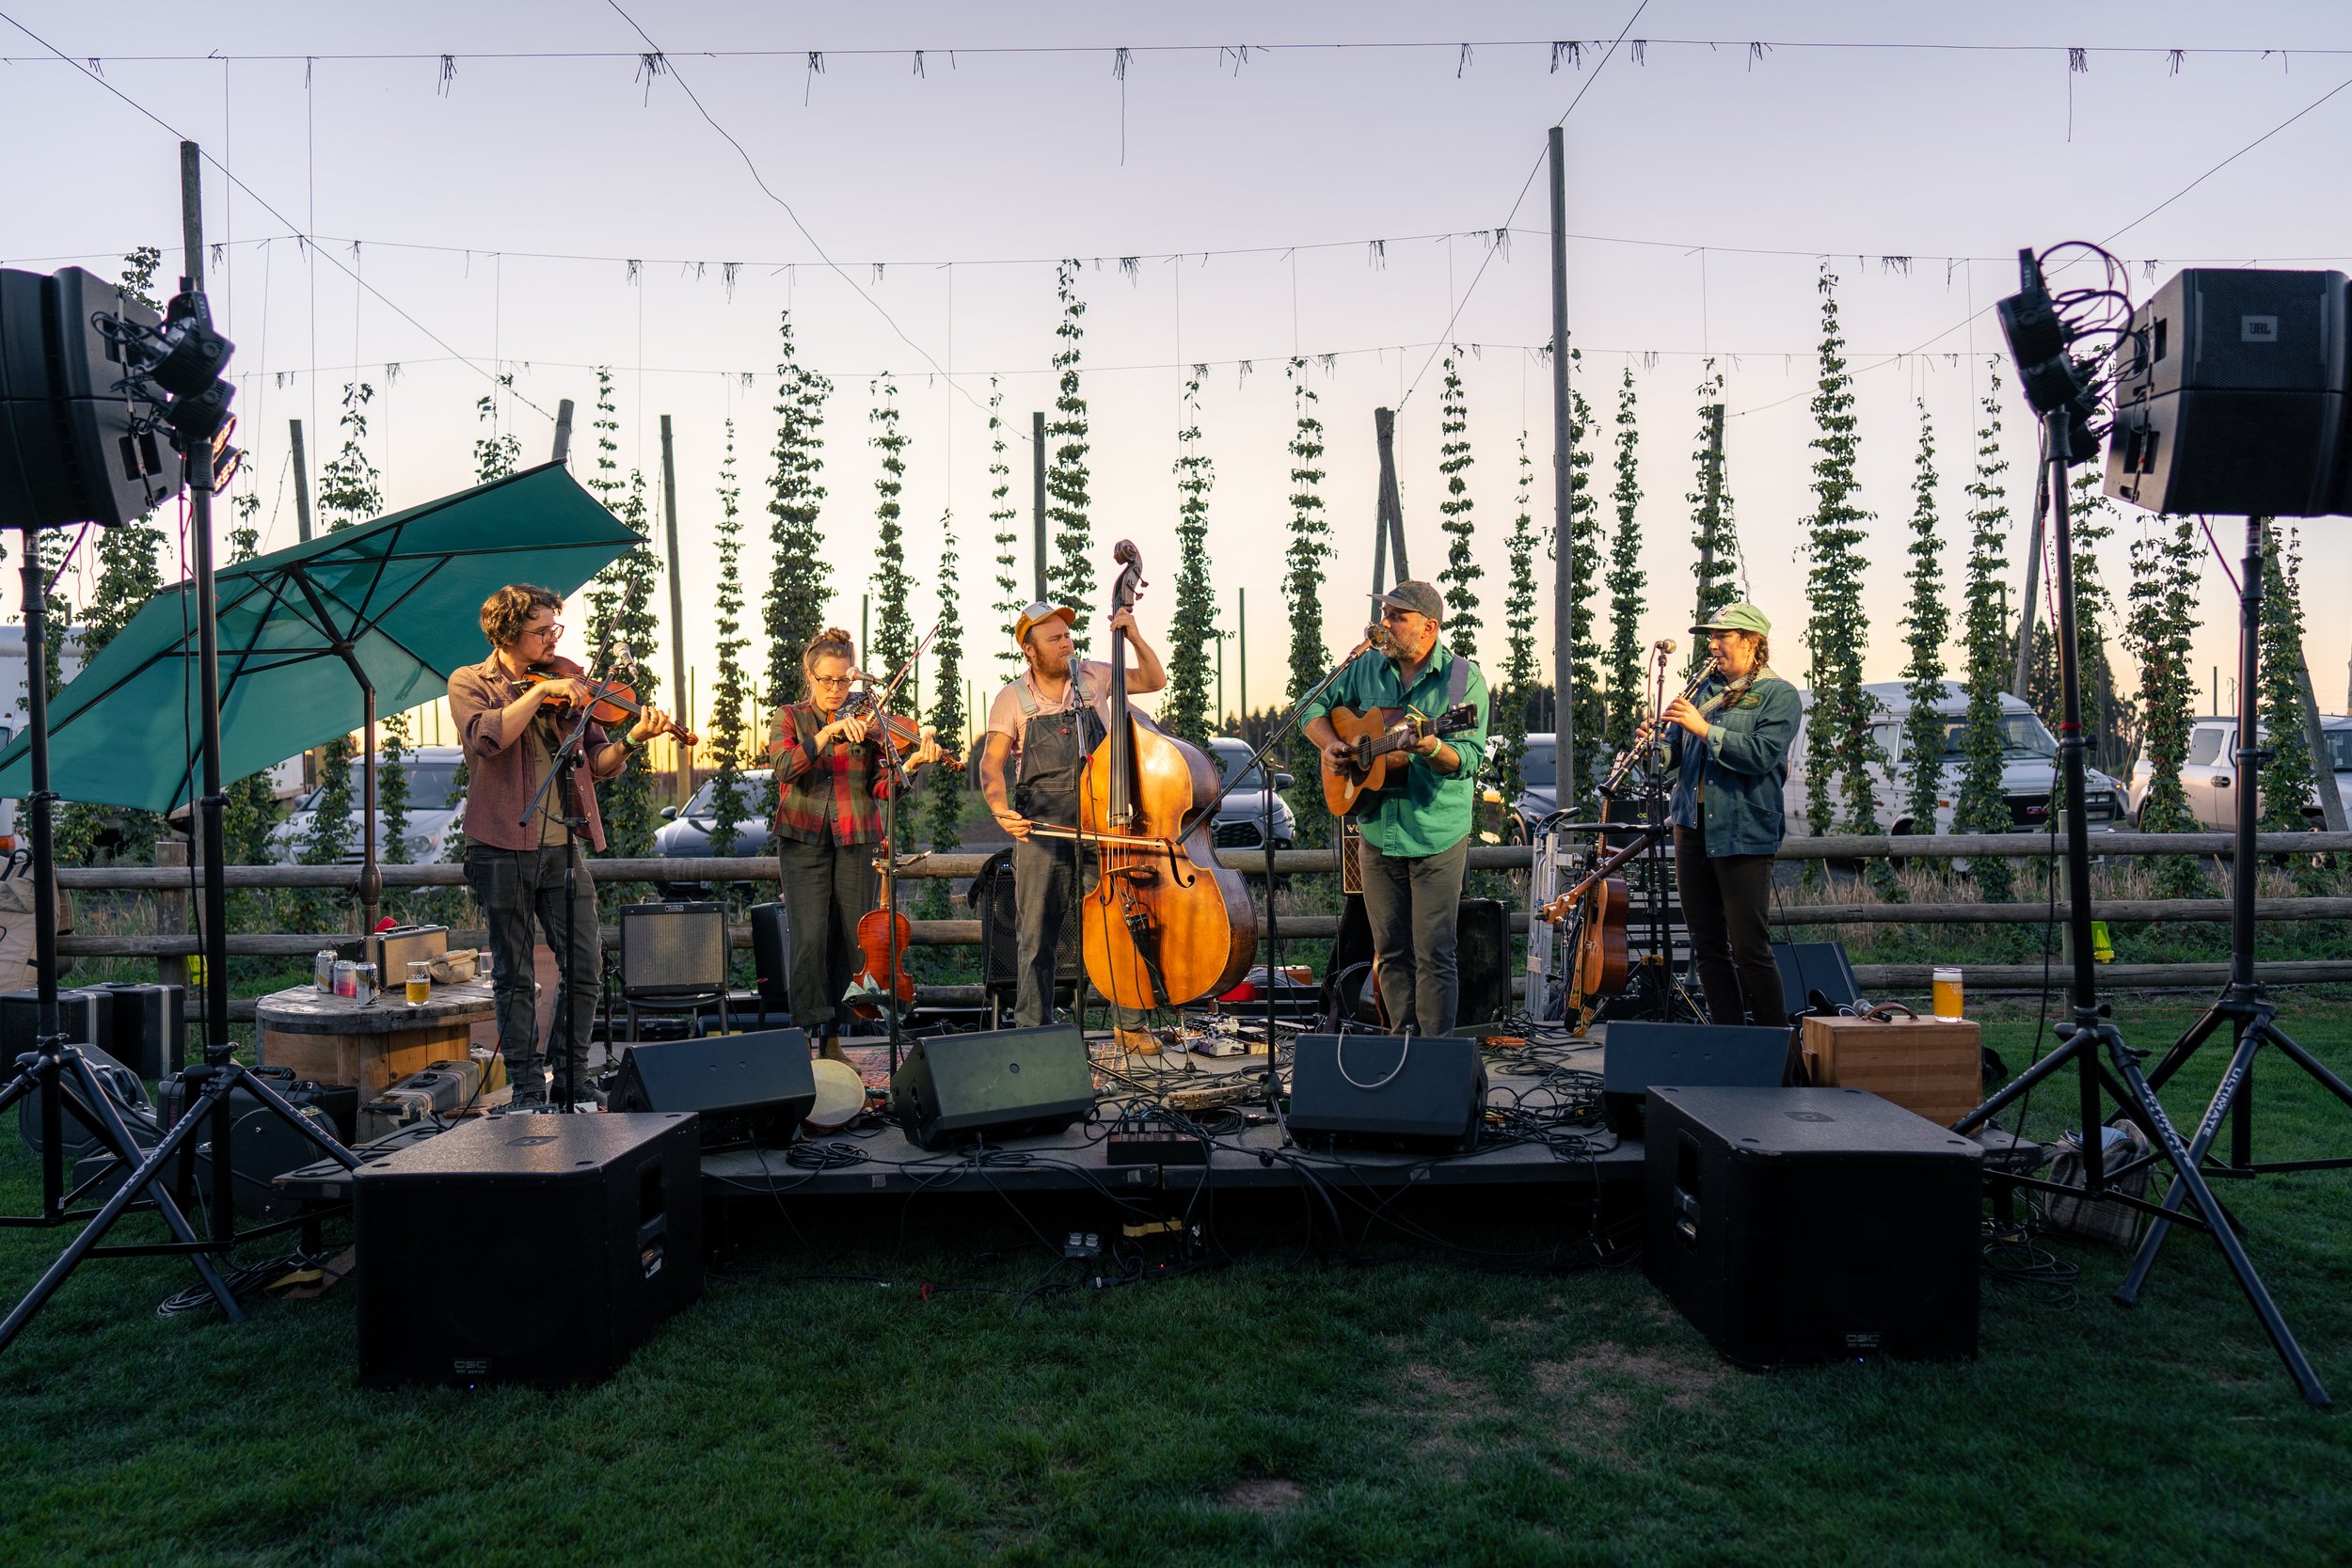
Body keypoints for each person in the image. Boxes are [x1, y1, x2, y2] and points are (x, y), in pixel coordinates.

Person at [450, 584, 684, 1107]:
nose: (555, 638)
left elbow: (596, 763)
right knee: (514, 972)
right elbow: (488, 739)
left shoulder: (571, 681)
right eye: (542, 630)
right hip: (499, 843)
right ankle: (527, 1090)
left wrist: (632, 740)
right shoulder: (472, 681)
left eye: (557, 627)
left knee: (586, 964)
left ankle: (571, 1079)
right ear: (508, 632)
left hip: (562, 845)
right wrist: (535, 694)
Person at [1301, 581, 1490, 1037]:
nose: (1384, 624)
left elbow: (1468, 760)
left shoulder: (1464, 680)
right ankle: (1401, 1047)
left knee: (1434, 952)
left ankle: (1436, 1059)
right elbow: (1311, 704)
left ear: (1429, 627)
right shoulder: (1365, 664)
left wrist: (1431, 746)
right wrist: (1331, 745)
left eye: (1396, 617)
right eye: (1384, 614)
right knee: (1389, 951)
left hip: (1434, 836)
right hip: (1376, 830)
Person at [979, 599, 1162, 1053]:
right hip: (1044, 827)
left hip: (1104, 819)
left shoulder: (1094, 676)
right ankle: (1032, 1033)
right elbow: (991, 764)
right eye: (1054, 638)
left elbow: (1155, 680)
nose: (1066, 643)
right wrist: (1002, 810)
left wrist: (1133, 636)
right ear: (1029, 649)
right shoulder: (1012, 699)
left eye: (1067, 635)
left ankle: (1130, 1025)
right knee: (1037, 933)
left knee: (1119, 921)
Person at [768, 626, 944, 1062]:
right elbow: (784, 768)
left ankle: (833, 1042)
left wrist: (913, 765)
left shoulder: (870, 724)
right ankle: (801, 1043)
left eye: (845, 679)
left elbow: (884, 790)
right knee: (809, 940)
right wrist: (826, 736)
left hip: (857, 839)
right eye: (827, 680)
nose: (836, 688)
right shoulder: (789, 717)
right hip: (802, 840)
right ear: (810, 676)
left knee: (851, 940)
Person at [1644, 601, 1801, 1028]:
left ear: (1753, 643)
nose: (1712, 645)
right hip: (1690, 829)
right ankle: (1728, 1041)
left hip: (1743, 831)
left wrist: (1703, 728)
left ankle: (1776, 1048)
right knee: (1707, 945)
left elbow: (1761, 756)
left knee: (1749, 947)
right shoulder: (1701, 690)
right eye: (1709, 637)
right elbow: (1674, 754)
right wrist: (1654, 747)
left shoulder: (1778, 694)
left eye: (1721, 637)